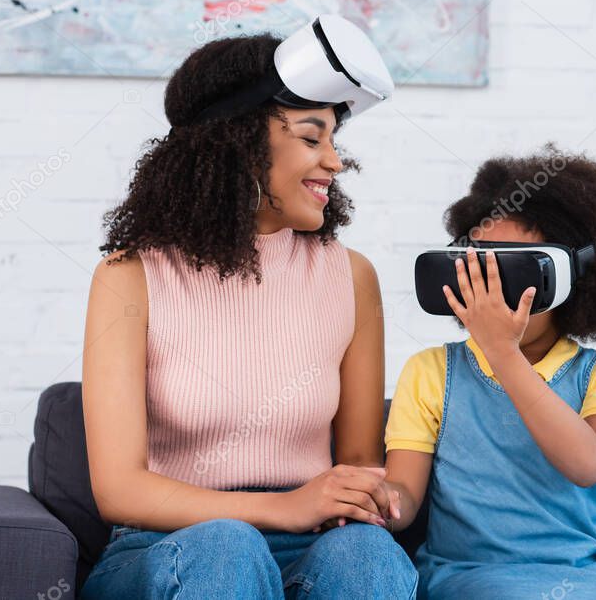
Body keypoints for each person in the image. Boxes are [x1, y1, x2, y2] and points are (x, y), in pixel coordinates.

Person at [79, 31, 416, 599]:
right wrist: (282, 507)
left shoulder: (350, 277)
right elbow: (119, 490)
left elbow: (359, 464)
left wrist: (369, 500)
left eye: (335, 138)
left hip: (307, 541)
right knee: (227, 547)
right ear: (236, 145)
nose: (334, 161)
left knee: (367, 553)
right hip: (167, 545)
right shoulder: (129, 276)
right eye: (313, 137)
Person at [382, 145, 596, 599]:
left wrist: (502, 353)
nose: (492, 291)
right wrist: (380, 502)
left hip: (586, 577)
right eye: (479, 266)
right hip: (468, 573)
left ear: (570, 280)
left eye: (513, 269)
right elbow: (403, 496)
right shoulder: (432, 372)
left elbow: (587, 463)